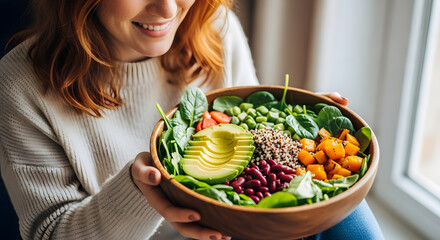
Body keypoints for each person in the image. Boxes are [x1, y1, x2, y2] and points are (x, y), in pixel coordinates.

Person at [0, 0, 383, 239]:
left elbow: (254, 146)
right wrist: (148, 186)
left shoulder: (213, 25)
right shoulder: (19, 84)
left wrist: (294, 129)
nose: (168, 10)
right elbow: (51, 233)